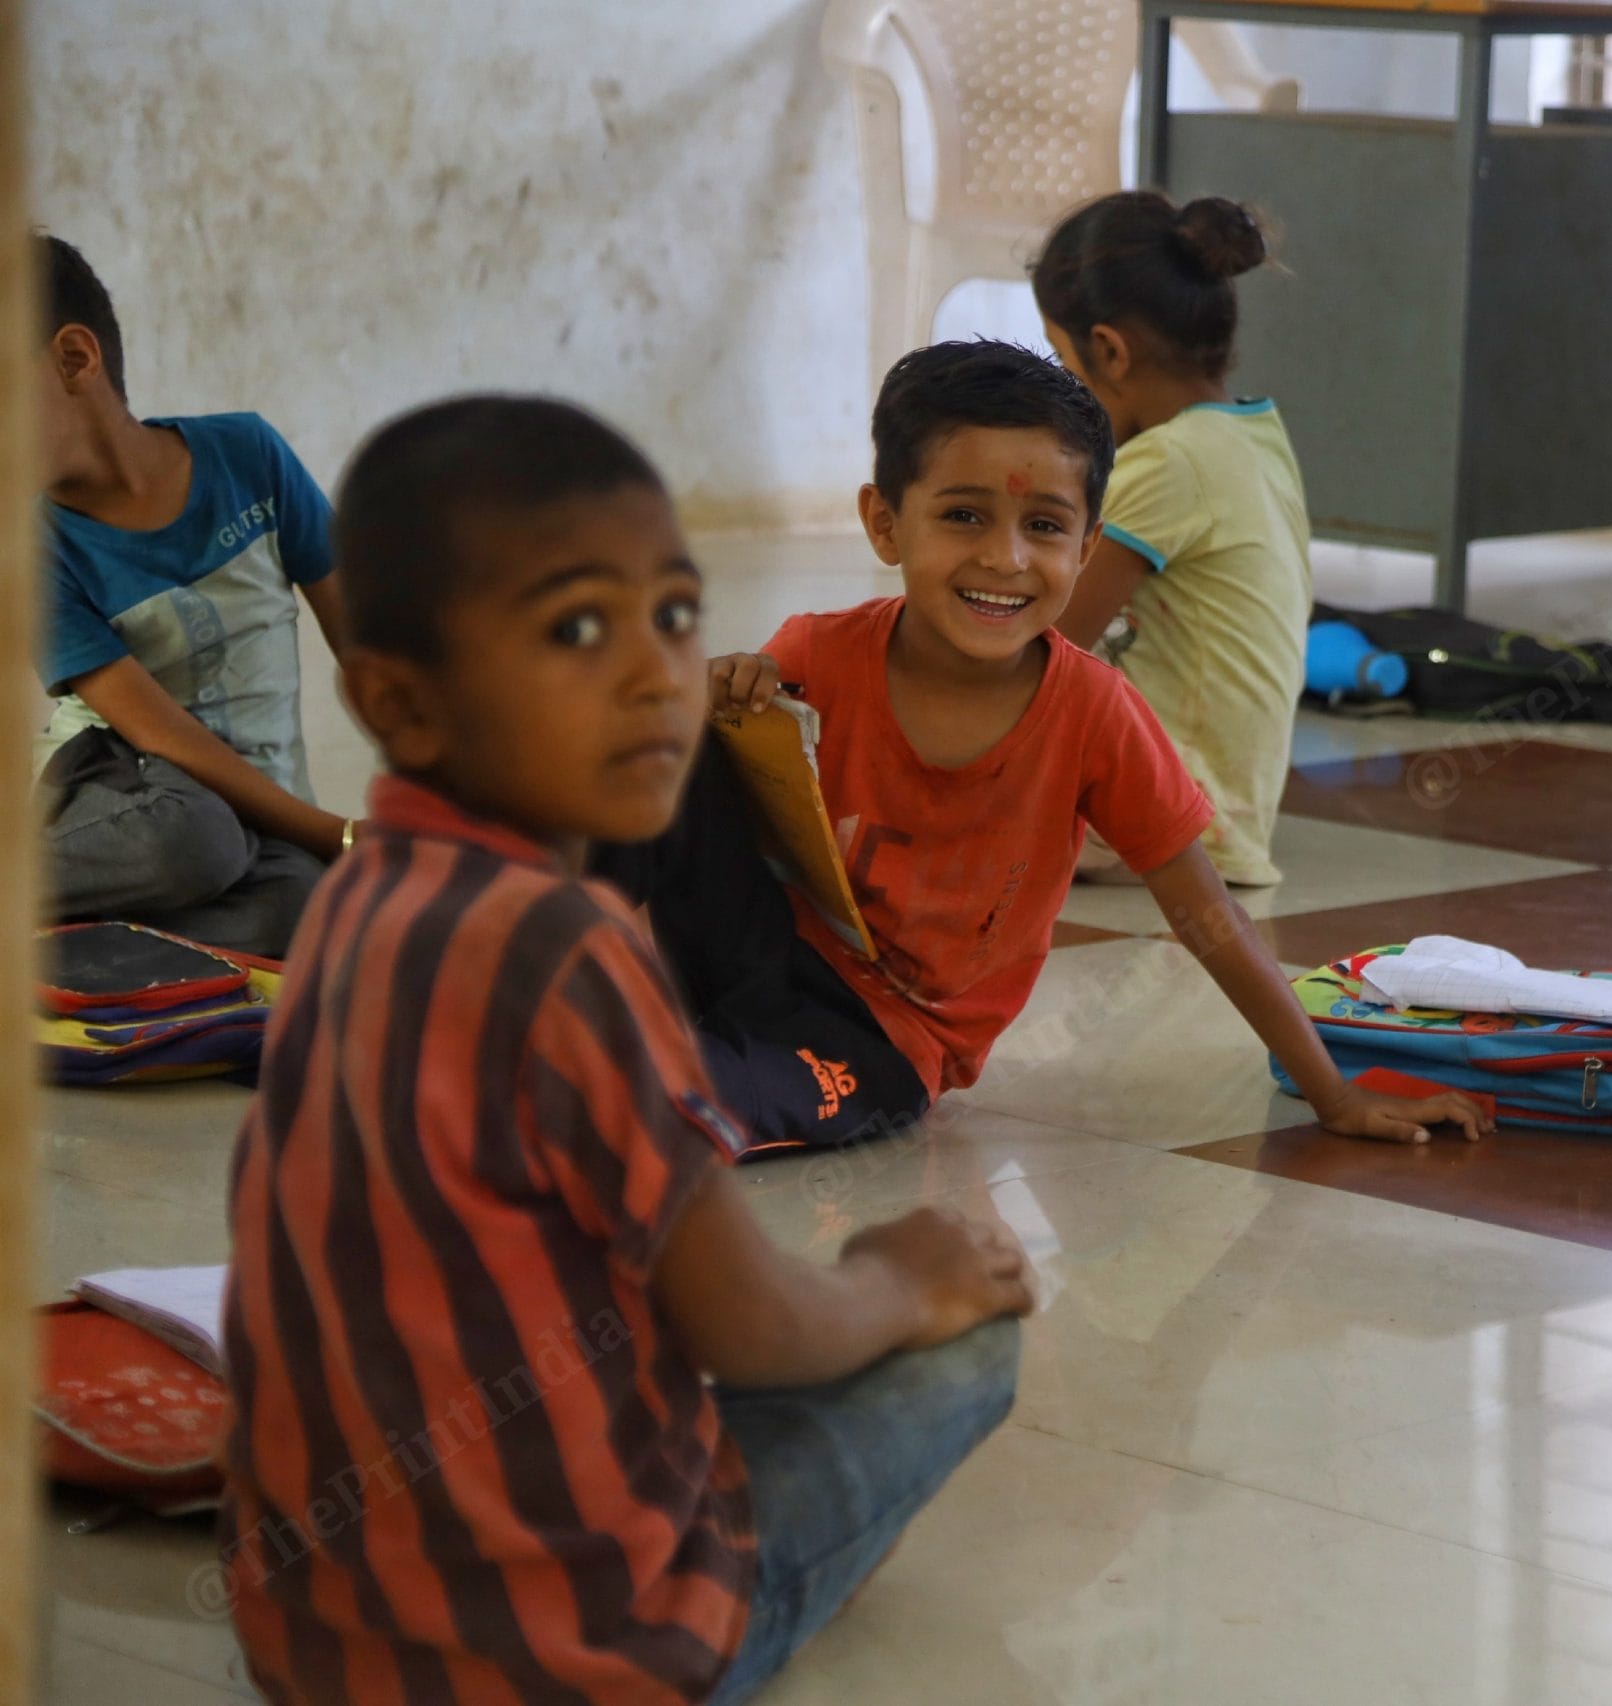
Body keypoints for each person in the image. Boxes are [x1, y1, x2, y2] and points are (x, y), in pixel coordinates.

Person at [219, 395, 1033, 1705]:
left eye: (673, 612)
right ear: (398, 700)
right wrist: (898, 1277)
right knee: (967, 1340)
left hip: (310, 1644)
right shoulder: (571, 948)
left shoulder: (346, 912)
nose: (658, 671)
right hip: (584, 1661)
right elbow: (750, 1329)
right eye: (579, 628)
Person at [596, 340, 1483, 1153]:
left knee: (669, 1105)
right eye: (963, 517)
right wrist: (714, 690)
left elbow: (1207, 915)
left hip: (880, 1042)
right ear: (884, 524)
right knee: (651, 730)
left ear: (1089, 545)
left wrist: (1333, 1094)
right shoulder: (815, 652)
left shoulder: (1095, 712)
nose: (1007, 559)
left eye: (1047, 528)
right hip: (750, 950)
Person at [33, 233, 351, 956]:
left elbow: (370, 654)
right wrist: (343, 834)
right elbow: (159, 734)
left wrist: (445, 803)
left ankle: (56, 954)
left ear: (74, 359)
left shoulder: (249, 456)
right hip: (120, 798)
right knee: (196, 835)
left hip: (261, 833)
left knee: (310, 907)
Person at [1031, 190, 1311, 888]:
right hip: (1221, 810)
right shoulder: (1251, 436)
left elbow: (1049, 649)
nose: (1066, 392)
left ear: (1109, 351)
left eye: (1066, 368)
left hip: (1178, 812)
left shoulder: (1170, 463)